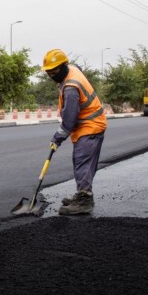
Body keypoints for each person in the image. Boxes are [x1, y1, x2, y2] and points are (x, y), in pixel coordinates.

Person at [42, 49, 107, 215]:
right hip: (89, 124)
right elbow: (77, 66)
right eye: (48, 72)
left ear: (64, 66)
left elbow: (69, 121)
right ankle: (82, 194)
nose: (51, 75)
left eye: (54, 71)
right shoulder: (72, 69)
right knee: (81, 161)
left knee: (82, 161)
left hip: (90, 125)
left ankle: (84, 200)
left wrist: (57, 139)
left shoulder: (71, 87)